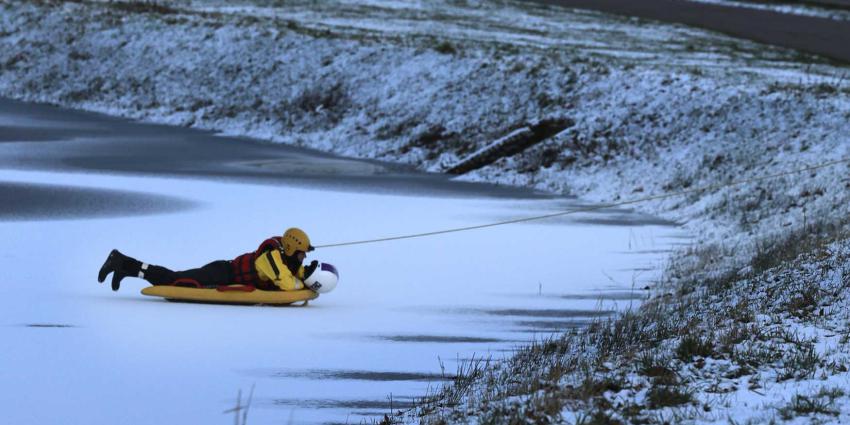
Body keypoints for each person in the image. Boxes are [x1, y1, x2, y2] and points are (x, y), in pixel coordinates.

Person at [98, 228, 320, 292]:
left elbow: (292, 273)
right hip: (222, 273)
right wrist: (301, 283)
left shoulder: (285, 257)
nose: (303, 257)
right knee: (177, 281)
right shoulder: (271, 257)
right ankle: (122, 261)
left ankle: (125, 267)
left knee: (176, 278)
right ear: (291, 248)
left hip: (225, 271)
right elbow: (286, 283)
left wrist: (307, 273)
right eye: (302, 253)